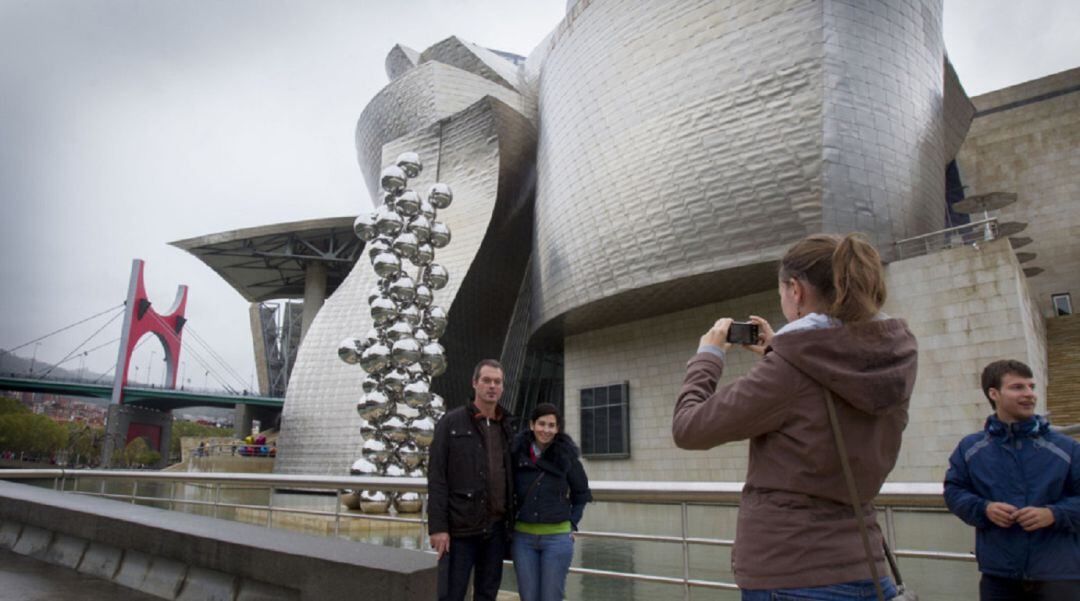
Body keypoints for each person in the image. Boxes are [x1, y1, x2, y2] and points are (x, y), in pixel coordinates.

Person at [672, 233, 918, 598]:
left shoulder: (788, 371)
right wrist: (780, 351)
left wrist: (708, 356)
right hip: (866, 566)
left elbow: (689, 428)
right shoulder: (893, 357)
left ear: (796, 291)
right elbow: (826, 395)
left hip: (792, 572)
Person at [944, 359, 1080, 600]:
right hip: (999, 578)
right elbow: (954, 492)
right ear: (993, 393)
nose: (1029, 394)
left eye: (1031, 387)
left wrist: (1053, 514)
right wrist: (984, 509)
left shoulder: (1067, 448)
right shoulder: (970, 448)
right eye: (1018, 387)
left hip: (1060, 577)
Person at [428, 359, 515, 601]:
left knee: (487, 594)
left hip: (496, 530)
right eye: (486, 380)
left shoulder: (507, 425)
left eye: (497, 382)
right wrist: (438, 528)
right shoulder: (450, 423)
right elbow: (437, 477)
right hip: (459, 530)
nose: (492, 386)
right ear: (474, 383)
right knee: (451, 594)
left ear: (502, 388)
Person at [510, 402, 591, 601]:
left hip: (557, 539)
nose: (546, 430)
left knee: (552, 596)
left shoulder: (567, 457)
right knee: (528, 596)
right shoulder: (516, 453)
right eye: (541, 424)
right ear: (531, 425)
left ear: (557, 428)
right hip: (523, 539)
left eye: (551, 425)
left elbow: (581, 494)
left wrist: (572, 523)